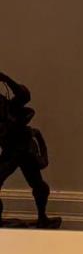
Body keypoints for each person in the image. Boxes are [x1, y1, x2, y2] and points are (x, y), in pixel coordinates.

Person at [0, 72, 59, 228]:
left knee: (39, 186)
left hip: (25, 149)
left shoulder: (10, 107)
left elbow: (24, 95)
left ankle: (42, 218)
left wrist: (6, 79)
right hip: (9, 153)